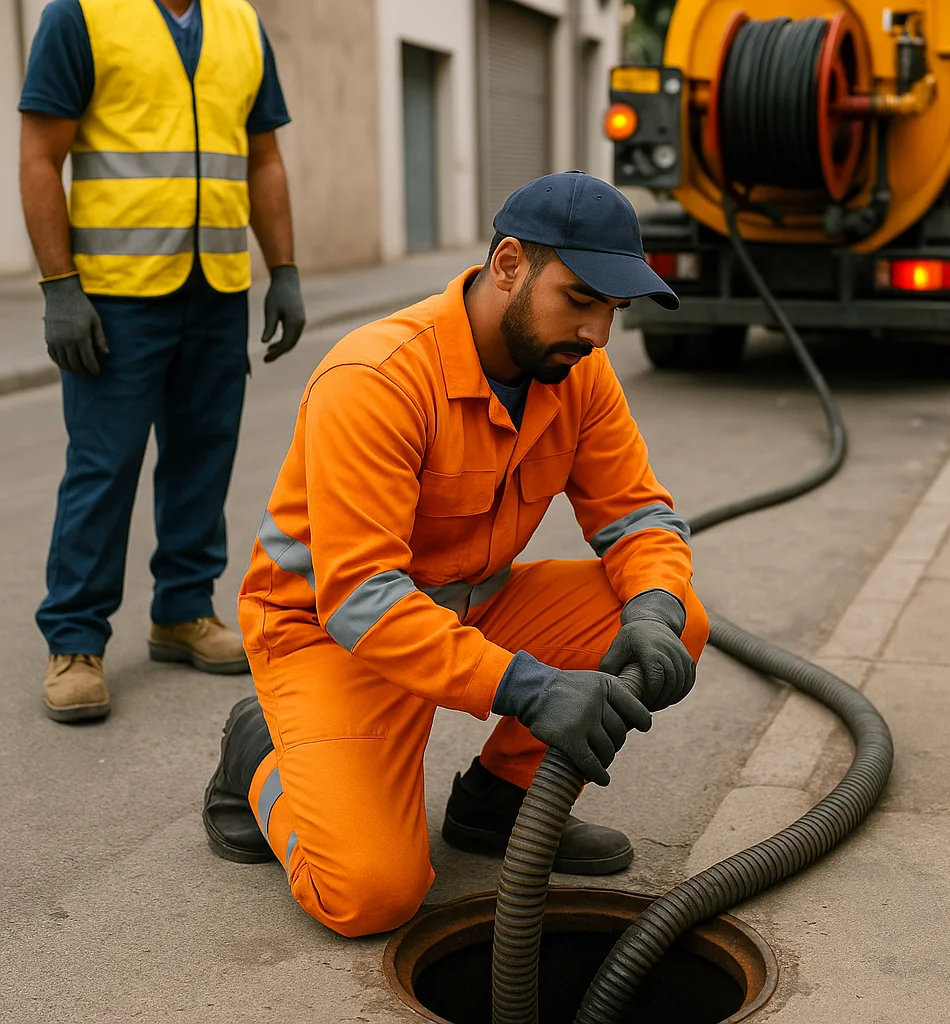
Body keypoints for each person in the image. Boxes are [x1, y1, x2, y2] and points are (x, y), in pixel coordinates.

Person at [203, 171, 710, 938]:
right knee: (372, 893)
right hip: (332, 635)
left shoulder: (577, 372)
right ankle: (260, 760)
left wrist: (654, 604)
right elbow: (361, 601)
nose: (599, 335)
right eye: (580, 300)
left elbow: (637, 513)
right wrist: (528, 687)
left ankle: (498, 805)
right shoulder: (375, 379)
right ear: (508, 265)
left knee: (675, 619)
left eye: (615, 309)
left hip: (466, 605)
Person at [19, 0, 306, 724]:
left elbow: (263, 156)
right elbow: (38, 157)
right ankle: (76, 640)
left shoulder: (241, 23)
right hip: (116, 296)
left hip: (215, 290)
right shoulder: (79, 16)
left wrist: (286, 270)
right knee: (104, 464)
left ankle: (182, 610)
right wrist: (59, 287)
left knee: (203, 456)